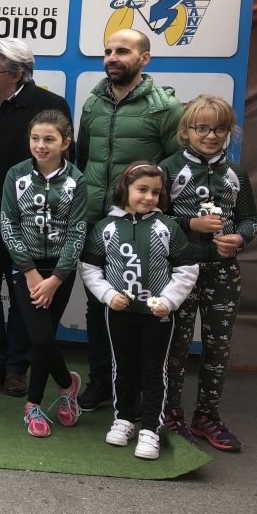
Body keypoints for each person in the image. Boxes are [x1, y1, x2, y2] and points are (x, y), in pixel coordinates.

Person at [0, 39, 70, 396]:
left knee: (24, 300)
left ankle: (17, 367)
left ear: (17, 74)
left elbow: (64, 168)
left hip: (26, 225)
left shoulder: (49, 106)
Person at [76, 28, 182, 411]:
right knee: (98, 307)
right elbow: (83, 159)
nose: (112, 58)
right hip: (97, 223)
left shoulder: (165, 108)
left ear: (144, 58)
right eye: (108, 51)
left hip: (141, 229)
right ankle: (102, 384)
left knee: (140, 308)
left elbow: (175, 169)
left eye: (123, 51)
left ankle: (135, 392)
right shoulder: (93, 102)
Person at [81, 162, 198, 460]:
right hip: (119, 313)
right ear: (125, 189)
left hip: (157, 316)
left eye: (155, 192)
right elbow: (90, 267)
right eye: (142, 189)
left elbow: (187, 269)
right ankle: (123, 419)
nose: (149, 197)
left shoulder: (167, 227)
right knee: (122, 366)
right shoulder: (106, 227)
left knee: (154, 369)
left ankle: (150, 429)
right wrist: (108, 296)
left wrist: (168, 301)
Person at [160, 95, 257, 451]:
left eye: (219, 129)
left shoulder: (236, 173)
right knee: (176, 345)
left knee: (218, 346)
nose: (211, 136)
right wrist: (191, 224)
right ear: (186, 131)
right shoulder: (168, 169)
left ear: (229, 131)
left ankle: (207, 416)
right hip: (181, 271)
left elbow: (251, 219)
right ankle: (171, 413)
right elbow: (153, 218)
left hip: (223, 272)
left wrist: (240, 238)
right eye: (202, 128)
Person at [0, 109, 87, 438]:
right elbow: (8, 224)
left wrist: (56, 278)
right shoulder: (16, 175)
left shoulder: (77, 180)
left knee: (43, 341)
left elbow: (77, 232)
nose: (40, 145)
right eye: (35, 138)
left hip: (60, 272)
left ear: (65, 143)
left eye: (49, 139)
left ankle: (33, 404)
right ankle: (66, 384)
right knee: (40, 338)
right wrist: (31, 272)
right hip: (26, 269)